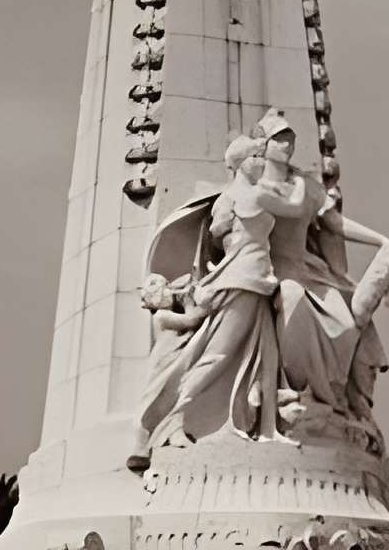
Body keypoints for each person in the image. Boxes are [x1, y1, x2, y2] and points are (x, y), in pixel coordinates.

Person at [129, 134, 306, 468]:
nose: (262, 161)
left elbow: (218, 234)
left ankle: (268, 428)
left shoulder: (233, 198)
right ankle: (169, 422)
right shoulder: (249, 195)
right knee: (216, 357)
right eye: (257, 156)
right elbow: (293, 206)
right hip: (241, 281)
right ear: (242, 162)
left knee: (266, 360)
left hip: (257, 283)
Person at [251, 111, 389, 431]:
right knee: (292, 300)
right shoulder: (260, 188)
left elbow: (332, 223)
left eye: (289, 137)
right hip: (276, 271)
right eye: (279, 138)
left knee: (347, 324)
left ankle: (326, 396)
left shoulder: (304, 185)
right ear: (263, 145)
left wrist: (380, 240)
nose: (287, 144)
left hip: (310, 270)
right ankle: (293, 389)